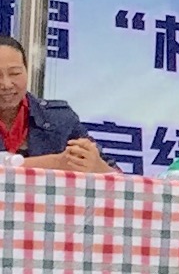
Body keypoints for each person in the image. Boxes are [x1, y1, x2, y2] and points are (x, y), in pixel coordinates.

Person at [0, 34, 110, 172]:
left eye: (15, 73)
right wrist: (55, 162)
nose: (6, 84)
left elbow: (119, 178)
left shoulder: (60, 118)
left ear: (27, 70)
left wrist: (96, 165)